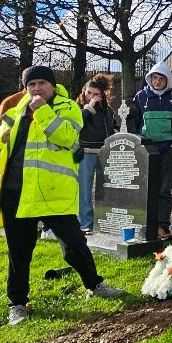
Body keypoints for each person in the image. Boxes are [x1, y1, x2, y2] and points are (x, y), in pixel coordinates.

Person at [0, 66, 123, 325]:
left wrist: (42, 111)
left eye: (42, 83)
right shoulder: (18, 109)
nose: (36, 89)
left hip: (53, 193)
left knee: (74, 246)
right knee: (19, 252)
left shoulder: (68, 108)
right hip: (18, 191)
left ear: (52, 85)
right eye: (31, 85)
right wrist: (4, 132)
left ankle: (94, 285)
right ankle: (17, 303)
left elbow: (66, 136)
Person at [130, 62, 172, 241]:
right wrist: (138, 142)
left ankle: (161, 226)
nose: (157, 82)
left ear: (168, 80)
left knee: (164, 189)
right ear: (150, 79)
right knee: (145, 188)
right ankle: (144, 224)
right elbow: (133, 120)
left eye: (161, 78)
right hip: (146, 151)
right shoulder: (141, 97)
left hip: (167, 151)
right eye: (155, 78)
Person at [76, 74, 118, 233]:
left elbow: (113, 128)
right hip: (85, 153)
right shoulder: (79, 109)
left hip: (104, 154)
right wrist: (89, 108)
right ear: (84, 92)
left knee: (105, 190)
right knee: (84, 191)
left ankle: (104, 222)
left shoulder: (108, 111)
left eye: (96, 94)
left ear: (102, 95)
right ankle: (85, 223)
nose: (91, 97)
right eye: (89, 93)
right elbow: (78, 123)